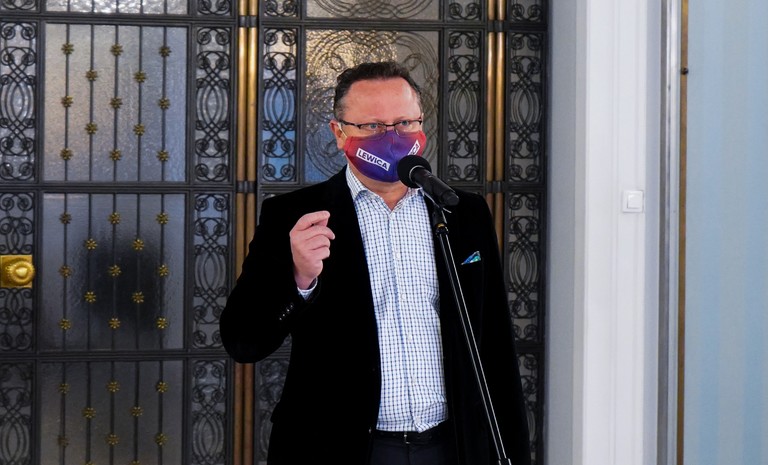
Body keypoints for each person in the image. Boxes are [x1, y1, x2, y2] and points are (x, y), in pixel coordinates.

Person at [220, 61, 531, 465]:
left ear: (421, 123)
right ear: (339, 133)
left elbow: (495, 342)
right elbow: (243, 342)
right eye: (372, 126)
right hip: (341, 448)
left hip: (453, 444)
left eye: (404, 123)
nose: (392, 137)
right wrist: (299, 280)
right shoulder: (295, 216)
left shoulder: (462, 212)